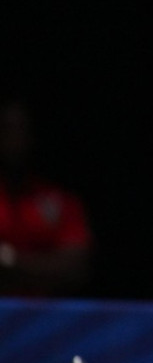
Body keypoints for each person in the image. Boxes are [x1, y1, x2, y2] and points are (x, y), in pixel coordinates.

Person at [0, 97, 93, 297]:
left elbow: (74, 270)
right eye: (6, 130)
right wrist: (41, 266)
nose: (14, 140)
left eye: (21, 130)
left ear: (33, 136)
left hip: (46, 321)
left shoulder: (61, 202)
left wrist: (9, 260)